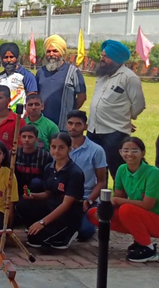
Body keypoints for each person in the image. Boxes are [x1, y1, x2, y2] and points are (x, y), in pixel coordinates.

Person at [88, 137, 159, 262]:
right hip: (140, 215)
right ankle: (140, 239)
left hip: (154, 217)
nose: (129, 154)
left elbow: (147, 205)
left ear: (143, 153)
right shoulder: (121, 169)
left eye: (134, 150)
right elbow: (118, 197)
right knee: (94, 214)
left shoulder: (153, 173)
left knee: (126, 210)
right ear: (120, 152)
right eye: (126, 150)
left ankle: (148, 248)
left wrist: (118, 201)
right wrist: (104, 208)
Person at [88, 39, 146, 180]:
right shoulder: (102, 75)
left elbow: (139, 105)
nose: (101, 59)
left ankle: (120, 199)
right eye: (102, 56)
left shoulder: (129, 77)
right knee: (96, 169)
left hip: (114, 132)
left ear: (116, 59)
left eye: (105, 57)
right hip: (93, 130)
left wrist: (124, 116)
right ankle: (101, 200)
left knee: (116, 168)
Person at [16, 133, 85, 249]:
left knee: (45, 243)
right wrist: (33, 196)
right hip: (51, 206)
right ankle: (34, 228)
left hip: (68, 214)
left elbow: (66, 205)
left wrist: (42, 222)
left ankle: (69, 232)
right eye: (53, 147)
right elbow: (48, 193)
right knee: (22, 205)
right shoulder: (49, 167)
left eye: (61, 147)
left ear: (69, 149)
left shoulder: (74, 172)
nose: (56, 151)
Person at [67, 110, 108, 242]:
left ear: (85, 126)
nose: (73, 127)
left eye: (78, 124)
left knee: (85, 232)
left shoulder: (96, 150)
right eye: (70, 123)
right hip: (64, 196)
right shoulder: (60, 146)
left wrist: (89, 200)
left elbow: (102, 182)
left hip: (86, 199)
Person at [36, 35, 87, 126]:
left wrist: (69, 110)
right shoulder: (41, 72)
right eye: (48, 51)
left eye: (55, 51)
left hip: (63, 124)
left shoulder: (73, 72)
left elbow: (82, 97)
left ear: (61, 52)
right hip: (43, 123)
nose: (51, 54)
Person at [0, 43, 38, 109]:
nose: (9, 60)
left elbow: (32, 99)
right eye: (5, 57)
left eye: (12, 57)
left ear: (17, 58)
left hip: (20, 117)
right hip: (3, 117)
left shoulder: (27, 76)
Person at [14, 125, 53, 197]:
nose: (26, 139)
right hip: (16, 189)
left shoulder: (45, 156)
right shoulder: (13, 154)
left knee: (36, 182)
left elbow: (48, 178)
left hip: (37, 191)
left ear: (37, 139)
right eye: (24, 136)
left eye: (30, 137)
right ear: (20, 138)